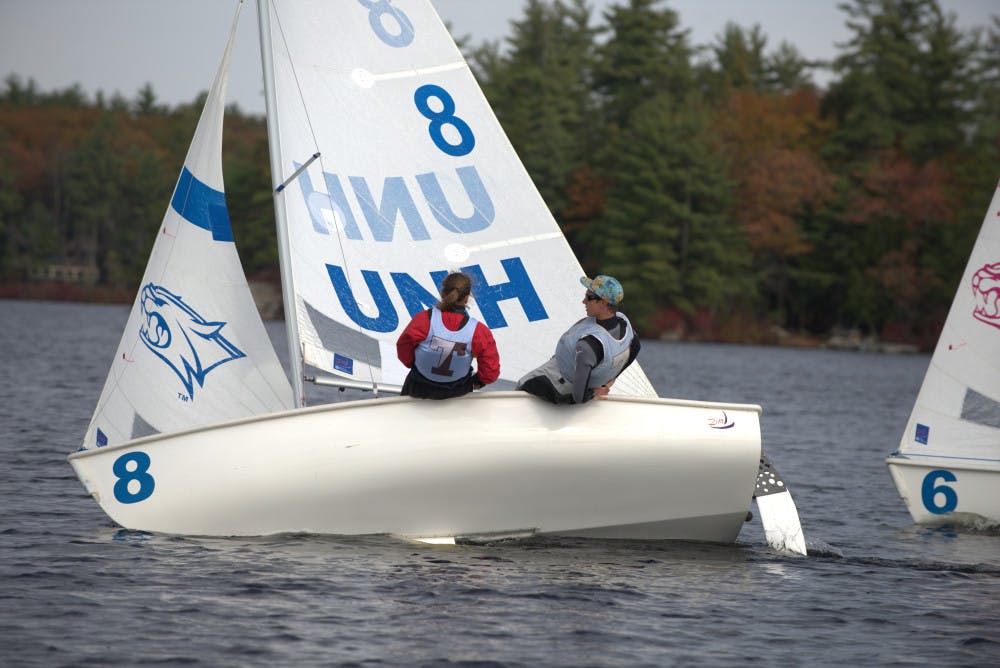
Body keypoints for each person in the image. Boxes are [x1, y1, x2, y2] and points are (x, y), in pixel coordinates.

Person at [517, 274, 640, 404]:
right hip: (581, 378)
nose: (583, 301)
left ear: (603, 303)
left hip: (557, 384)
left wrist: (593, 393)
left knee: (522, 385)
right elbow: (636, 347)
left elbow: (579, 396)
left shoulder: (589, 344)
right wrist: (611, 379)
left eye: (589, 297)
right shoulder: (625, 325)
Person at [396, 272, 500, 399]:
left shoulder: (424, 320)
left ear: (442, 293)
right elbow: (490, 373)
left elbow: (403, 349)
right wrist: (475, 383)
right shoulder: (479, 331)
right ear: (467, 298)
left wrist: (417, 365)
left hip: (418, 387)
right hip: (457, 392)